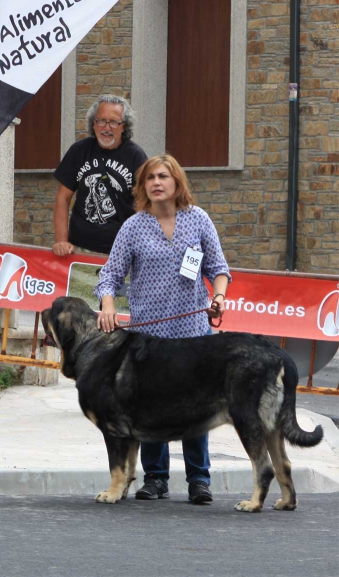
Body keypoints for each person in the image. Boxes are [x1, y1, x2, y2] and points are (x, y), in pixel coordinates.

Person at [94, 154, 231, 504]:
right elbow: (110, 274)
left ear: (177, 182)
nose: (156, 182)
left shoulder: (198, 220)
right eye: (150, 178)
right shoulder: (134, 226)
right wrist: (108, 304)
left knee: (196, 405)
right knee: (150, 406)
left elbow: (218, 268)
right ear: (143, 187)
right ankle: (155, 478)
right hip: (148, 337)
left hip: (193, 333)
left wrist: (218, 296)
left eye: (163, 176)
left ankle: (199, 479)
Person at [52, 94, 148, 256]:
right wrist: (61, 240)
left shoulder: (136, 156)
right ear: (93, 124)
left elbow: (143, 205)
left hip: (121, 252)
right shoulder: (79, 151)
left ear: (124, 126)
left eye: (114, 122)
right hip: (80, 249)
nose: (106, 127)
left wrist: (138, 247)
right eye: (101, 120)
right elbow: (63, 198)